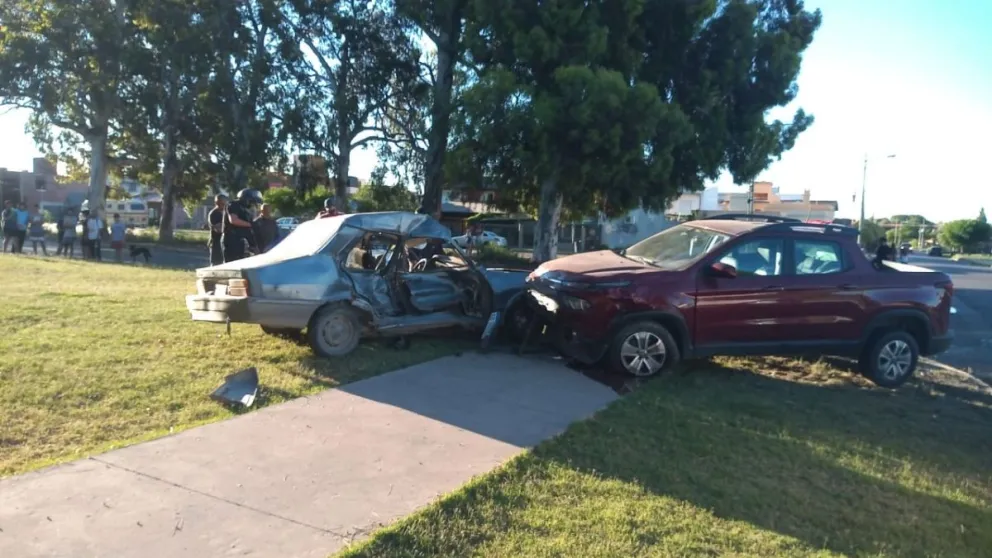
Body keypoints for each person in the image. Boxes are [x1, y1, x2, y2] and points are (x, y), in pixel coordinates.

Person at [222, 189, 262, 262]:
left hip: (243, 240)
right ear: (246, 199)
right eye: (251, 201)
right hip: (232, 239)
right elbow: (233, 220)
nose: (252, 204)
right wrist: (251, 224)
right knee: (232, 262)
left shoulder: (246, 209)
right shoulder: (233, 205)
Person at [207, 194, 227, 266]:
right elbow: (218, 229)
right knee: (215, 263)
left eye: (223, 203)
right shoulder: (213, 213)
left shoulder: (227, 212)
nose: (222, 205)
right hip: (216, 242)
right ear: (216, 203)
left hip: (226, 242)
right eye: (219, 203)